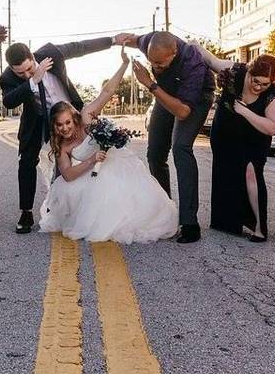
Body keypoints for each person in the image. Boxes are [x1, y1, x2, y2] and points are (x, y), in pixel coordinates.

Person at [0, 33, 134, 234]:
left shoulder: (51, 53)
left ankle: (65, 207)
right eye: (21, 73)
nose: (26, 74)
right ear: (12, 69)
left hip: (71, 113)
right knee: (27, 161)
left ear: (33, 57)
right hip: (38, 121)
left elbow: (79, 47)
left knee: (67, 163)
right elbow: (9, 101)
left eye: (30, 69)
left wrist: (113, 41)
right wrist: (32, 82)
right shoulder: (7, 78)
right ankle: (26, 212)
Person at [40, 48, 178, 243]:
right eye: (59, 125)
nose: (64, 128)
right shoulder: (62, 146)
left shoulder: (87, 117)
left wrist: (123, 65)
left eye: (68, 122)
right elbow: (68, 175)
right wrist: (91, 160)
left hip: (115, 165)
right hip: (88, 173)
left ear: (74, 118)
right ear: (54, 126)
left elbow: (107, 91)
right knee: (80, 195)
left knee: (128, 198)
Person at [122, 31, 215, 244]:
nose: (155, 66)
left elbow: (183, 112)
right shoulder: (149, 42)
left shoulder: (193, 63)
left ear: (174, 53)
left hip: (194, 100)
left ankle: (189, 223)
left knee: (181, 147)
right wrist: (120, 39)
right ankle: (165, 214)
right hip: (166, 92)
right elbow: (134, 39)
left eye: (160, 63)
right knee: (154, 152)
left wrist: (150, 84)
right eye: (151, 62)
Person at [192, 45, 275, 242]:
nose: (258, 87)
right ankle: (226, 223)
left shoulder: (273, 95)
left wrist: (244, 111)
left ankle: (259, 228)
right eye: (255, 81)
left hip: (254, 140)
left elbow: (272, 128)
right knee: (226, 175)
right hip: (225, 136)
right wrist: (188, 45)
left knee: (251, 173)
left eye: (265, 84)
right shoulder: (236, 71)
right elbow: (210, 59)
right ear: (249, 71)